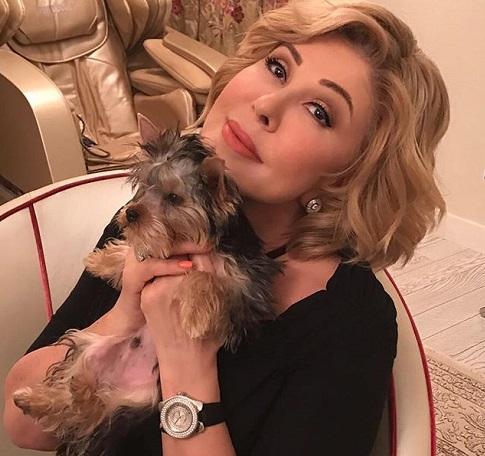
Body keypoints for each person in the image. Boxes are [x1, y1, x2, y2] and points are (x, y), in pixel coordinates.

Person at [3, 0, 450, 455]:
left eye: (319, 111)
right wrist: (127, 310)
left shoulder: (350, 324)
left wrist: (185, 359)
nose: (266, 105)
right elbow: (23, 428)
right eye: (277, 68)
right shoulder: (160, 220)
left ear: (349, 175)